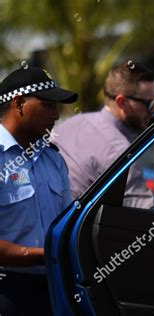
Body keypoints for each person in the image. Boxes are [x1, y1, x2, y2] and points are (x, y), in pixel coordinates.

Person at [0, 67, 77, 315]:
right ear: (19, 103)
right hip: (8, 292)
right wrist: (49, 254)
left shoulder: (52, 158)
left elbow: (68, 223)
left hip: (55, 284)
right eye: (47, 105)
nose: (56, 114)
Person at [54, 61, 154, 208]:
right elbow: (143, 215)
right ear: (122, 102)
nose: (153, 110)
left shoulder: (71, 123)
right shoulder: (121, 152)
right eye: (149, 103)